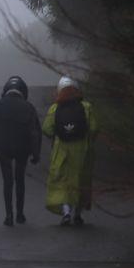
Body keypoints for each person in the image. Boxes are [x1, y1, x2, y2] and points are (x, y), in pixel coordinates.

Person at [42, 76, 98, 226]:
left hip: (62, 151)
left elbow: (46, 128)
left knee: (62, 182)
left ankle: (66, 212)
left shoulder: (55, 108)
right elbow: (93, 128)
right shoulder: (86, 106)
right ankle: (78, 214)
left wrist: (57, 137)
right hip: (82, 151)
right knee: (81, 181)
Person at [0, 77, 42, 226]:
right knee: (20, 180)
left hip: (3, 148)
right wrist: (36, 153)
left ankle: (8, 216)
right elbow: (35, 132)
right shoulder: (28, 107)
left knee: (7, 181)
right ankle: (20, 214)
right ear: (23, 92)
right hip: (22, 148)